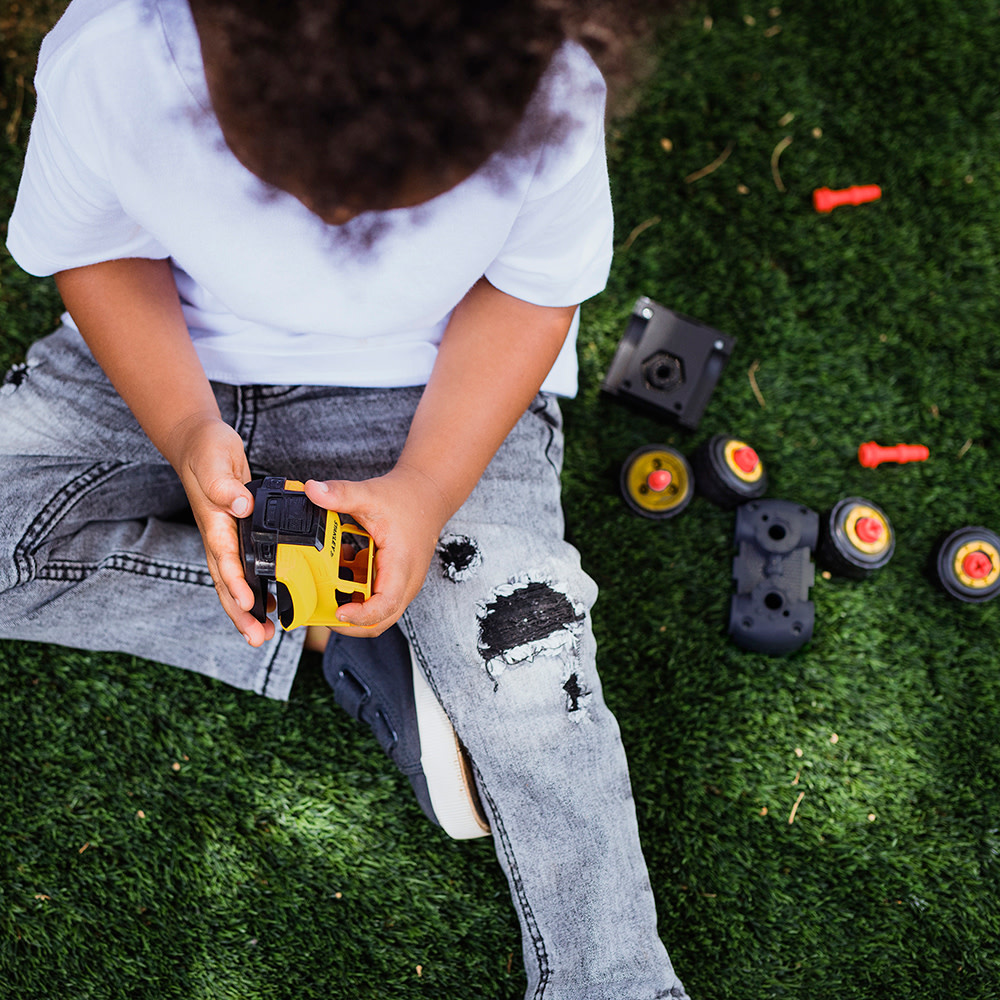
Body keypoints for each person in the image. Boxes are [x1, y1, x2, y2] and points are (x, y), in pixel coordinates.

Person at [2, 0, 690, 996]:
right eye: (290, 185)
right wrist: (186, 427)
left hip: (433, 396)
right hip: (159, 364)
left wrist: (427, 487)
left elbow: (531, 295)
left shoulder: (546, 84)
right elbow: (101, 254)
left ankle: (618, 980)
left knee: (535, 671)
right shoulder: (115, 53)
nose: (337, 223)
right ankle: (336, 625)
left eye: (394, 202)